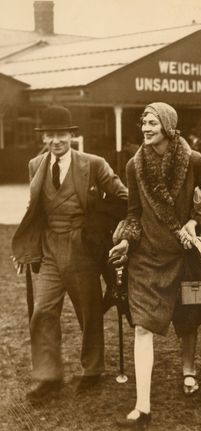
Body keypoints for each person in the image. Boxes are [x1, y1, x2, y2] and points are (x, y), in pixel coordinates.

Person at [109, 102, 201, 428]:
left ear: (169, 126)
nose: (145, 127)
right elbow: (133, 213)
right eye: (143, 122)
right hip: (147, 257)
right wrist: (127, 240)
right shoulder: (134, 165)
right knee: (142, 326)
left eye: (152, 122)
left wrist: (194, 223)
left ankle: (189, 369)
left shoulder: (195, 160)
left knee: (190, 317)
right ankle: (142, 405)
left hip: (190, 257)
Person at [11, 105, 128, 400]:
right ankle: (48, 376)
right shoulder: (35, 165)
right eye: (50, 136)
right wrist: (26, 248)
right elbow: (33, 210)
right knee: (43, 311)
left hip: (82, 248)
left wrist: (99, 224)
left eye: (61, 135)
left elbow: (123, 198)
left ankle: (92, 370)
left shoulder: (94, 164)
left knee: (88, 312)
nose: (56, 141)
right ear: (44, 138)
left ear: (71, 136)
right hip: (50, 249)